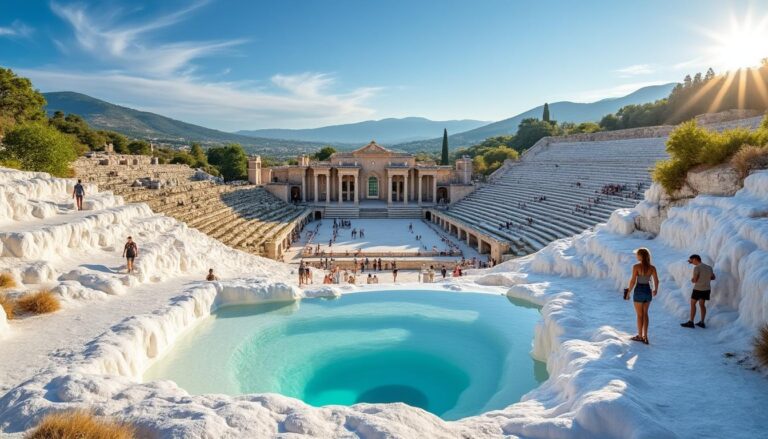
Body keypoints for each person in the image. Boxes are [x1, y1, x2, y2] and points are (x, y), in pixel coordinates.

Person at [625, 248, 659, 344]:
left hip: (639, 291)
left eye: (637, 254)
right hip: (648, 291)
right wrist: (655, 290)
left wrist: (628, 292)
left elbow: (633, 281)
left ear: (641, 256)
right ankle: (646, 336)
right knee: (645, 314)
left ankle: (640, 336)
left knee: (639, 315)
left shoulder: (636, 267)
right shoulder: (652, 268)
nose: (636, 256)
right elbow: (656, 280)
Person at [681, 254, 716, 329]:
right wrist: (706, 278)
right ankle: (702, 322)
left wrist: (692, 280)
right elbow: (713, 277)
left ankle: (691, 322)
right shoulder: (709, 267)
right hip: (706, 289)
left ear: (695, 259)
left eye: (691, 261)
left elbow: (695, 280)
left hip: (698, 289)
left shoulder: (697, 268)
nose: (691, 263)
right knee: (702, 305)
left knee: (693, 304)